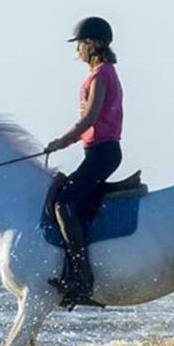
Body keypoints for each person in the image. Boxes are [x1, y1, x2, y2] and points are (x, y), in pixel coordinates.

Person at [44, 16, 124, 303]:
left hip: (103, 151)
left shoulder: (101, 74)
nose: (76, 49)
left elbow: (89, 118)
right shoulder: (100, 73)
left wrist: (60, 142)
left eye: (79, 44)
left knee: (64, 203)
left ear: (91, 44)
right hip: (98, 151)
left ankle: (81, 274)